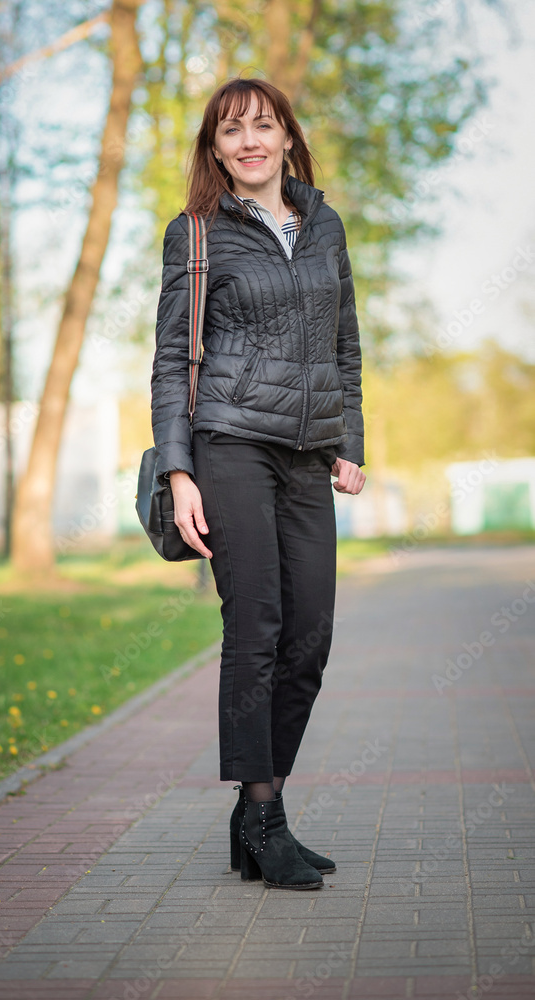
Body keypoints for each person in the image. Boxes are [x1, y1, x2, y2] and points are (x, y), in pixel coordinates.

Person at [150, 77, 366, 889]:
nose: (249, 141)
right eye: (232, 130)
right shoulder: (196, 235)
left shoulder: (325, 225)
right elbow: (173, 359)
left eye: (263, 126)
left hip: (310, 452)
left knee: (310, 635)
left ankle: (253, 817)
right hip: (232, 447)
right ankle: (266, 814)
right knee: (258, 630)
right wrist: (179, 472)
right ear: (215, 149)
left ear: (284, 138)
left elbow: (345, 342)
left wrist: (351, 438)